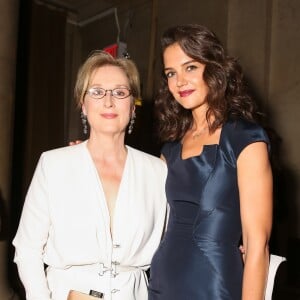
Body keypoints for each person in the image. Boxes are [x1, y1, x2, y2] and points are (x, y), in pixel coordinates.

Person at [12, 50, 167, 300]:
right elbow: (27, 249)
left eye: (119, 92)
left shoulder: (157, 172)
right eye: (97, 92)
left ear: (133, 104)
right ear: (83, 104)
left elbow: (176, 242)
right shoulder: (54, 164)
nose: (108, 102)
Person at [148, 24, 273, 300]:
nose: (179, 81)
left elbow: (257, 245)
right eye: (171, 73)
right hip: (161, 283)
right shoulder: (169, 150)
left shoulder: (244, 138)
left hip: (215, 286)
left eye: (190, 67)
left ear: (214, 68)